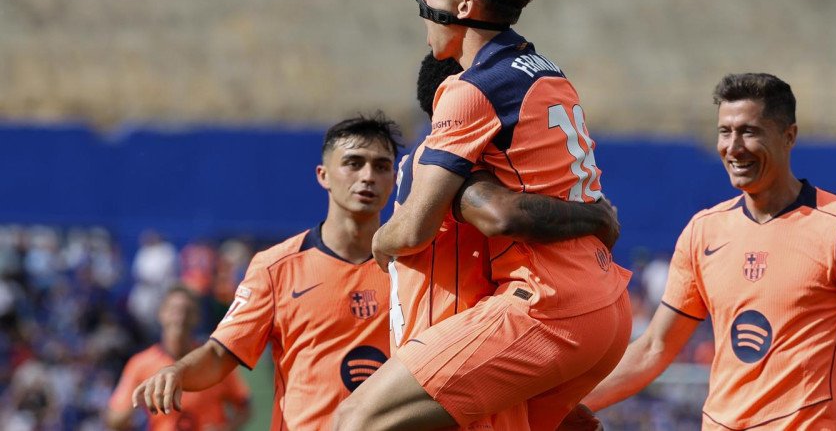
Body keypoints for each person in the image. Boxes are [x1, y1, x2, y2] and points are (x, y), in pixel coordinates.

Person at [131, 112, 616, 430]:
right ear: (323, 175)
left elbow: (479, 364)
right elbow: (220, 356)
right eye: (354, 163)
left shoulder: (429, 263)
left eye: (381, 166)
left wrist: (565, 413)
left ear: (397, 178)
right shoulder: (277, 267)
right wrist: (175, 370)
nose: (367, 176)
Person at [334, 0, 633, 431]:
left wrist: (381, 240)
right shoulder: (547, 71)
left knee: (356, 419)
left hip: (548, 305)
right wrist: (593, 215)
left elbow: (418, 229)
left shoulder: (469, 90)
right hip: (606, 303)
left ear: (466, 7)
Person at [571, 74, 836, 431]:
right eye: (725, 131)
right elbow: (654, 349)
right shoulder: (703, 230)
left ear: (789, 136)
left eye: (749, 132)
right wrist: (571, 406)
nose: (734, 147)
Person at [107, 285, 250, 430]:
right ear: (161, 314)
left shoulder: (213, 359)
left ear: (197, 317)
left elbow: (244, 407)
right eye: (174, 310)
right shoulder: (140, 364)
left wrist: (225, 429)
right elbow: (114, 419)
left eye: (187, 311)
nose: (180, 317)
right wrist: (135, 405)